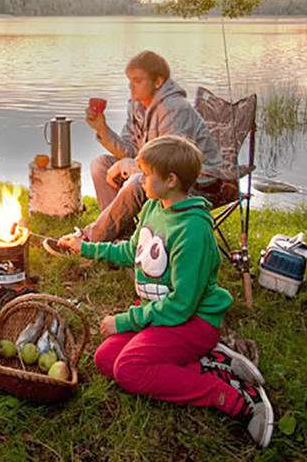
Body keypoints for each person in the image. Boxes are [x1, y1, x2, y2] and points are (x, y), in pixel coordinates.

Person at [55, 135, 274, 447]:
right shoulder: (154, 208)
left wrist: (124, 321)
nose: (138, 179)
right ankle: (210, 362)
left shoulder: (193, 231)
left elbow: (181, 306)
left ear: (171, 180)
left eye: (145, 174)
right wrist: (85, 248)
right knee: (106, 360)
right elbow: (132, 252)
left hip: (191, 322)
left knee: (128, 370)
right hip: (163, 319)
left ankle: (231, 395)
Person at [53, 50, 226, 248]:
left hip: (194, 181)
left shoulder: (175, 108)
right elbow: (129, 150)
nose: (131, 86)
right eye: (130, 81)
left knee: (136, 181)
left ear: (158, 82)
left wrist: (127, 165)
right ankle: (119, 238)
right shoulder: (137, 106)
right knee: (100, 164)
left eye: (137, 81)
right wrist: (102, 128)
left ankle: (88, 241)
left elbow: (172, 162)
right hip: (160, 172)